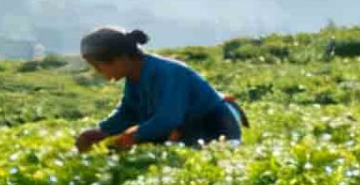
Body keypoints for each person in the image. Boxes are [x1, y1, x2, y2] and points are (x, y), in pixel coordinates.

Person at [72, 27, 244, 152]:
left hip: (214, 129)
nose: (98, 72)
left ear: (121, 58)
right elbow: (128, 112)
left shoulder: (167, 72)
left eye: (98, 66)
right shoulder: (135, 77)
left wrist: (129, 137)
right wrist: (101, 131)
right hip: (186, 130)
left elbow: (168, 118)